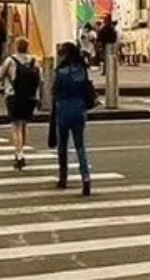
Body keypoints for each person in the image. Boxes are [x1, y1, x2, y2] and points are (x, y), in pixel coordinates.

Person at [53, 41, 93, 196]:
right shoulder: (82, 70)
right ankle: (86, 178)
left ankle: (63, 177)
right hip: (79, 108)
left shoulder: (61, 71)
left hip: (63, 109)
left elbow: (55, 90)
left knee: (62, 145)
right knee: (80, 146)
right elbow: (86, 89)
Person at [0, 36, 40, 169]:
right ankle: (22, 151)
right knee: (24, 124)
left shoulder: (10, 60)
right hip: (30, 97)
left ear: (16, 46)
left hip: (13, 95)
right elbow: (40, 79)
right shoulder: (34, 60)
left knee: (16, 126)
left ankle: (19, 154)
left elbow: (0, 75)